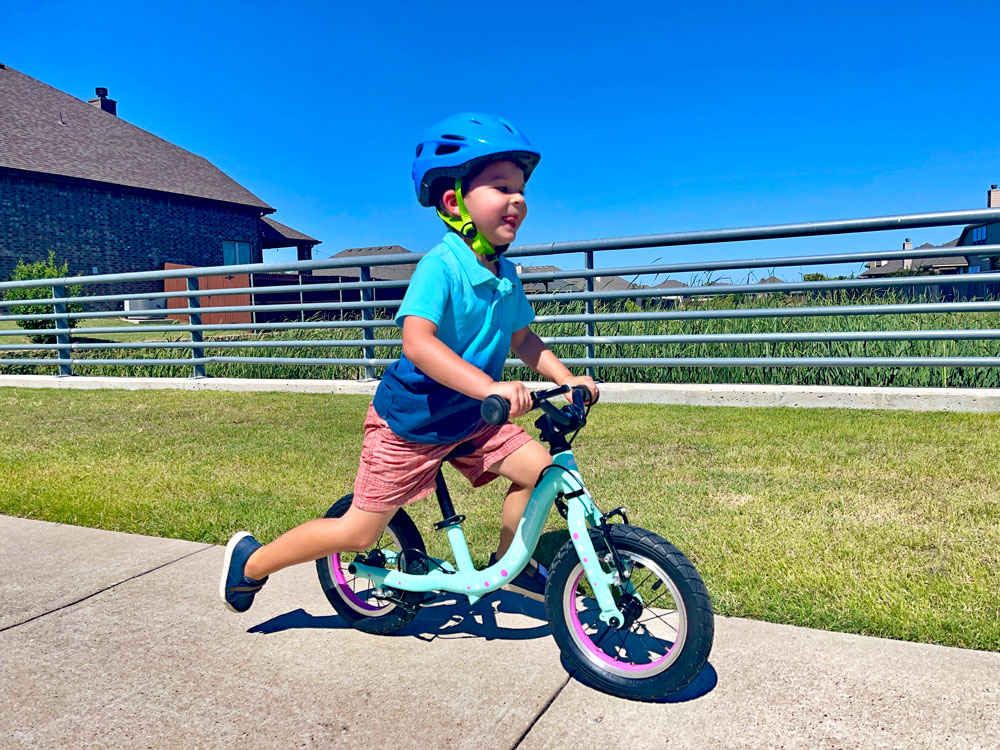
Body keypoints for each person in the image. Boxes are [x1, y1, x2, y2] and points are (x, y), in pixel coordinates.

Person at [220, 112, 598, 613]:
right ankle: (251, 563)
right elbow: (419, 343)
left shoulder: (505, 274)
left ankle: (512, 562)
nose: (519, 199)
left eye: (523, 188)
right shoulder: (439, 268)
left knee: (539, 472)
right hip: (411, 423)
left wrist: (567, 378)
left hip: (470, 419)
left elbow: (525, 339)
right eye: (502, 186)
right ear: (453, 200)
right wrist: (491, 386)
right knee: (358, 532)